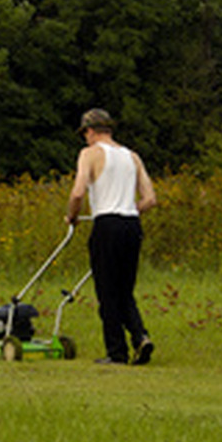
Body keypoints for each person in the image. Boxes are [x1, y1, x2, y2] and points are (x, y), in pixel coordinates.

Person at [66, 108, 157, 365]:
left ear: (90, 131)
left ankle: (117, 352)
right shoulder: (132, 156)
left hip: (107, 224)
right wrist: (128, 207)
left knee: (107, 290)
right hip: (131, 224)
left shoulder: (89, 154)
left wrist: (72, 216)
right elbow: (150, 199)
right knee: (125, 289)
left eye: (85, 133)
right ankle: (140, 336)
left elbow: (78, 193)